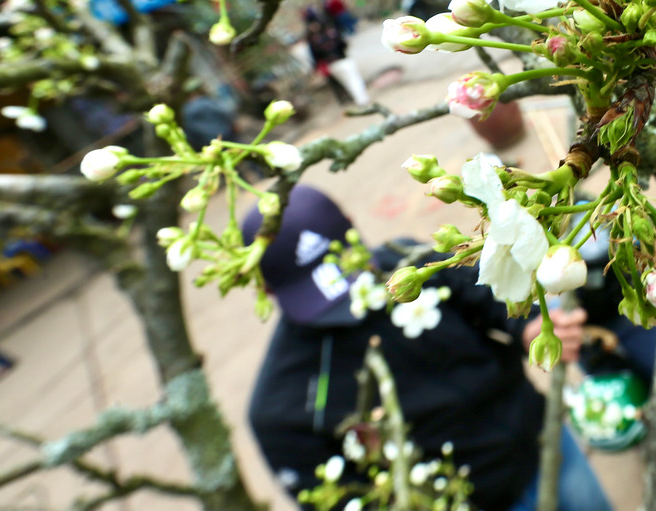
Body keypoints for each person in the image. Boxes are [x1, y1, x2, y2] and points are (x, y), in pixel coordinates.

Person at [243, 186, 612, 511]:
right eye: (320, 301)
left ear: (354, 228)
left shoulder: (407, 264)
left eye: (348, 272)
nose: (350, 307)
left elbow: (482, 292)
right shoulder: (281, 408)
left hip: (543, 442)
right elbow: (337, 498)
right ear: (265, 289)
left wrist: (529, 325)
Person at [303, 7, 370, 107]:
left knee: (348, 82)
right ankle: (363, 99)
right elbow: (343, 44)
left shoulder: (313, 38)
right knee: (354, 79)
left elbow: (315, 56)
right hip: (341, 60)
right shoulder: (331, 33)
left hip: (333, 64)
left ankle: (360, 100)